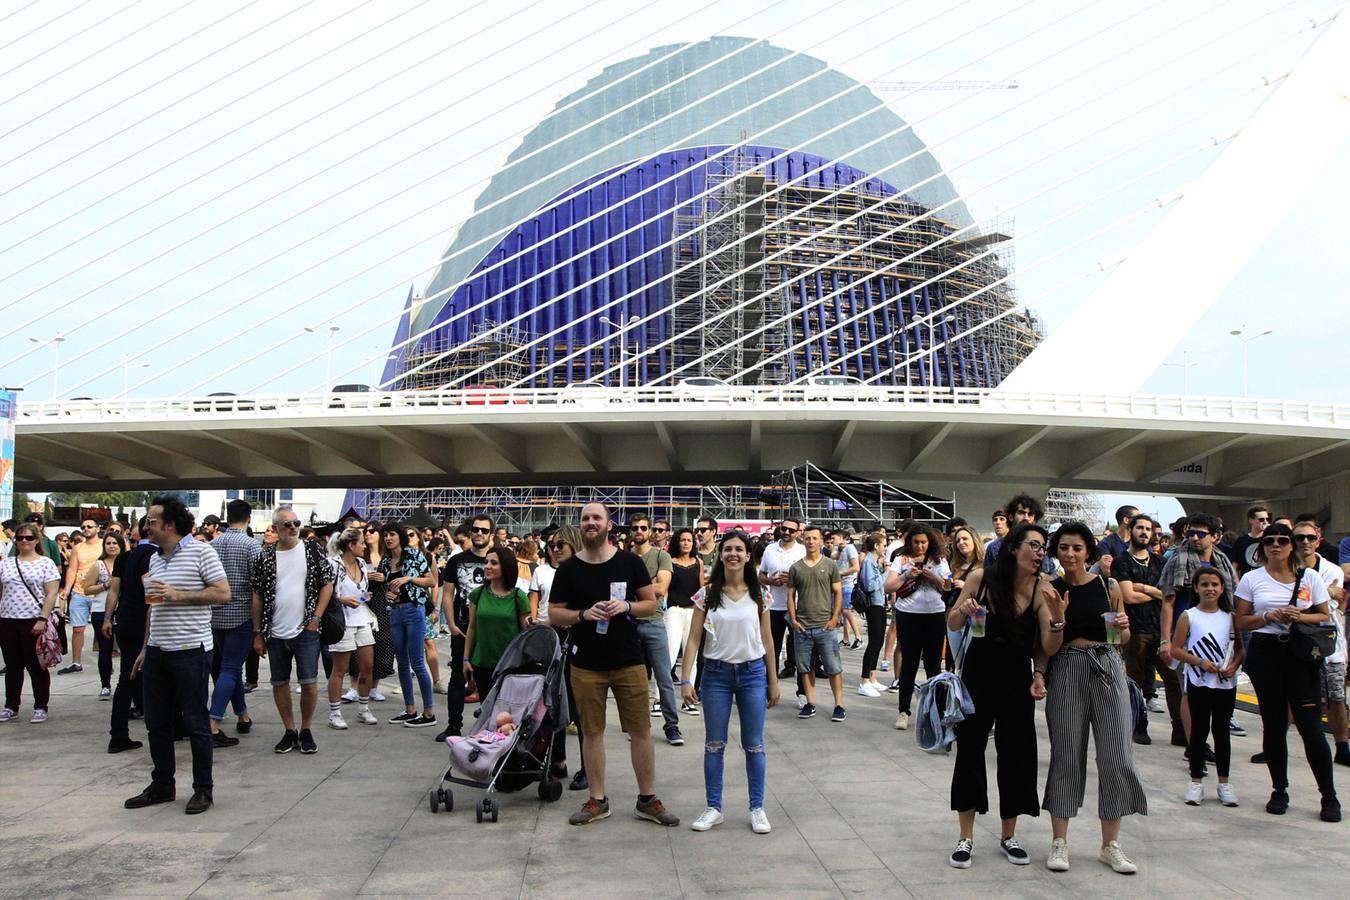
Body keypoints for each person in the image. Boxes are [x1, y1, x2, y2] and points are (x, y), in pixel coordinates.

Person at [549, 502, 679, 827]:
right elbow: (553, 613)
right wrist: (582, 615)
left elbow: (651, 605)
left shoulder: (630, 563)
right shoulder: (568, 569)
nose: (590, 523)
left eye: (596, 518)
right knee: (591, 732)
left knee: (641, 731)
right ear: (580, 526)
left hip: (628, 660)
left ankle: (647, 799)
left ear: (609, 525)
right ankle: (597, 799)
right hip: (586, 663)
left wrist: (627, 606)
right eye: (585, 519)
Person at [946, 523, 1066, 869]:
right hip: (978, 677)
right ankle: (965, 837)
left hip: (1016, 680)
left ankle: (1008, 835)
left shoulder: (1042, 587)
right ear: (1014, 548)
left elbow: (1047, 646)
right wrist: (963, 611)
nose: (1041, 552)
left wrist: (1057, 619)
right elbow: (952, 624)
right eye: (1034, 545)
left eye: (1044, 546)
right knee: (969, 751)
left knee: (1017, 754)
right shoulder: (981, 579)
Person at [1042, 521, 1147, 875]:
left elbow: (1123, 638)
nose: (1070, 554)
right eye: (1063, 548)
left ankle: (1110, 844)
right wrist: (1058, 618)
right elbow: (1048, 647)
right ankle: (1060, 841)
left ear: (1089, 552)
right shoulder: (1049, 589)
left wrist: (1124, 627)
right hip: (1067, 667)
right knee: (1067, 753)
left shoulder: (1109, 585)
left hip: (1108, 665)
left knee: (1117, 755)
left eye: (1077, 548)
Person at [125, 495, 229, 815]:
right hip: (158, 651)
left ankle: (202, 789)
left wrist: (179, 595)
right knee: (157, 723)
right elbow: (153, 607)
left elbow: (223, 593)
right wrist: (145, 647)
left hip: (190, 652)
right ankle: (162, 785)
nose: (146, 526)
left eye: (152, 521)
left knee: (196, 723)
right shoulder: (155, 558)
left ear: (170, 524)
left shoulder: (202, 551)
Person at [1236, 522, 1340, 820]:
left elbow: (1324, 614)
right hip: (1267, 652)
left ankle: (1328, 795)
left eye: (1283, 540)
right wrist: (1268, 615)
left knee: (1310, 726)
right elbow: (1241, 621)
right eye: (1270, 541)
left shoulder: (1310, 577)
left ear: (1292, 545)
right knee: (1274, 722)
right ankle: (1279, 789)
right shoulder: (1252, 580)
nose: (1277, 545)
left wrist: (1300, 616)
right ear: (1262, 548)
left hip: (1301, 654)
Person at [681, 531, 780, 834]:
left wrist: (773, 680)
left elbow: (767, 639)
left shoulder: (759, 593)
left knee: (754, 745)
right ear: (719, 555)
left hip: (752, 675)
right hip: (716, 676)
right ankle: (714, 807)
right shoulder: (707, 594)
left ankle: (757, 807)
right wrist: (686, 679)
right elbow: (694, 639)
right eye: (727, 549)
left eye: (739, 549)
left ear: (749, 555)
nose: (733, 554)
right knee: (714, 744)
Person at [251, 507, 337, 754]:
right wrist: (257, 632)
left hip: (306, 630)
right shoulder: (265, 555)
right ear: (276, 528)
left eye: (296, 522)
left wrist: (316, 617)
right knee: (279, 683)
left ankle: (306, 729)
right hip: (275, 631)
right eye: (286, 524)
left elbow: (327, 583)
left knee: (309, 683)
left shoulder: (311, 550)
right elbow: (257, 595)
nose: (292, 527)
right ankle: (289, 730)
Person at [1158, 513, 1238, 749]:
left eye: (1201, 534)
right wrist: (1166, 640)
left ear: (1215, 536)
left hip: (1219, 635)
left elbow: (1232, 601)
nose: (1194, 538)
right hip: (1187, 634)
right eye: (1190, 533)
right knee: (1188, 690)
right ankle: (1196, 745)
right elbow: (1167, 601)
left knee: (1213, 692)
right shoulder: (1177, 560)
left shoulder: (1222, 562)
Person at [1171, 569, 1243, 808]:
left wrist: (1233, 666)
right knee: (1199, 731)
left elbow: (1241, 649)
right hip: (1199, 682)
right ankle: (1196, 782)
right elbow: (1176, 649)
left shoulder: (1231, 617)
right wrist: (1200, 662)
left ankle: (1224, 783)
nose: (1210, 588)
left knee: (1222, 732)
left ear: (1222, 588)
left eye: (1215, 584)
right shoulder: (1188, 616)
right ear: (1196, 588)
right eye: (1204, 584)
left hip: (1225, 684)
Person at [1111, 513, 1175, 746]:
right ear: (1132, 530)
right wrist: (1154, 593)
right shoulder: (1121, 562)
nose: (1145, 533)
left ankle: (1180, 730)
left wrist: (1144, 587)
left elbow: (1167, 595)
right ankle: (1138, 726)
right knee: (1134, 682)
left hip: (1160, 629)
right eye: (1141, 528)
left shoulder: (1160, 562)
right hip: (1135, 630)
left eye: (1149, 529)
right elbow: (1128, 596)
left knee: (1172, 678)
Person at [1292, 516, 1350, 766]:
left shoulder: (1332, 570)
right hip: (1295, 641)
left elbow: (1328, 603)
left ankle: (1342, 745)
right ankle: (1274, 744)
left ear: (1318, 540)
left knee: (1336, 697)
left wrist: (1325, 596)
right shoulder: (1286, 568)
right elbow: (1303, 601)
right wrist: (1326, 593)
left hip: (1329, 643)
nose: (1305, 542)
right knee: (1290, 696)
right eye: (1299, 538)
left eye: (1310, 537)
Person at [531, 525, 584, 787]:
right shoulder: (553, 573)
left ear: (574, 544)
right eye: (551, 545)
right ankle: (558, 761)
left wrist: (570, 618)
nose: (554, 549)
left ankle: (587, 767)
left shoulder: (583, 573)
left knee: (579, 708)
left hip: (580, 644)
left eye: (560, 544)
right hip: (553, 640)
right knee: (554, 702)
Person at [885, 524, 951, 731]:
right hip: (908, 615)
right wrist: (906, 576)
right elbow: (888, 587)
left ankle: (937, 711)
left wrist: (934, 577)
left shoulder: (939, 560)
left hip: (934, 615)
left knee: (933, 666)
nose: (920, 546)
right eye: (916, 542)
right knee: (910, 664)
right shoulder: (901, 559)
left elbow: (949, 587)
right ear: (909, 542)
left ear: (930, 542)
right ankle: (903, 711)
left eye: (923, 542)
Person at [435, 514, 492, 742]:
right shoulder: (456, 561)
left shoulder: (499, 559)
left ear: (490, 534)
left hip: (490, 630)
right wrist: (450, 623)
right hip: (462, 627)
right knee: (457, 677)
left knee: (490, 679)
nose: (479, 533)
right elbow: (448, 594)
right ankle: (453, 726)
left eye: (484, 530)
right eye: (476, 530)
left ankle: (488, 727)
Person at [207, 499, 259, 748]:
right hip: (242, 613)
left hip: (216, 614)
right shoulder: (252, 546)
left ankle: (242, 714)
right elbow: (257, 585)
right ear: (248, 517)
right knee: (230, 668)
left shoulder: (213, 544)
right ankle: (213, 723)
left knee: (231, 667)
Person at [375, 524, 437, 729]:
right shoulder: (385, 562)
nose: (388, 538)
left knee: (418, 661)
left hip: (413, 610)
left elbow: (431, 581)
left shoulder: (414, 555)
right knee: (401, 661)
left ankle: (429, 712)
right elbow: (387, 588)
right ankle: (410, 709)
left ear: (400, 537)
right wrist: (387, 593)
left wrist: (409, 578)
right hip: (394, 611)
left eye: (392, 534)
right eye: (385, 535)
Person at [629, 514, 682, 746]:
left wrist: (635, 587)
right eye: (635, 528)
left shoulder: (662, 555)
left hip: (654, 622)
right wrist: (648, 584)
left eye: (643, 527)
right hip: (629, 625)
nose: (639, 531)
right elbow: (616, 590)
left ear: (650, 531)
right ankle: (638, 726)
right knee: (634, 681)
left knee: (664, 678)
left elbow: (661, 588)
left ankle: (672, 726)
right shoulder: (624, 558)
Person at [103, 517, 154, 752]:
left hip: (125, 621)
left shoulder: (125, 557)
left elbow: (114, 590)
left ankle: (118, 733)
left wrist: (108, 618)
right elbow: (153, 595)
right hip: (146, 623)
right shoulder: (156, 556)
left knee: (127, 676)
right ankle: (171, 725)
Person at [0, 522, 60, 723]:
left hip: (33, 619)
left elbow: (51, 593)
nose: (24, 541)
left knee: (36, 665)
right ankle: (11, 705)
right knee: (12, 665)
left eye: (28, 538)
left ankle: (41, 705)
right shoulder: (6, 563)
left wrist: (43, 618)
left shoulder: (46, 563)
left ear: (36, 540)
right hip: (7, 618)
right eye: (20, 538)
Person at [787, 524, 845, 722]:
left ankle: (838, 705)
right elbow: (790, 595)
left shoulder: (830, 565)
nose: (811, 541)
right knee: (805, 667)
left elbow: (838, 593)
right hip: (802, 627)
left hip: (825, 626)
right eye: (808, 538)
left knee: (833, 668)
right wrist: (793, 620)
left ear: (821, 541)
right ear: (803, 540)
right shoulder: (796, 567)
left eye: (814, 538)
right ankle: (810, 703)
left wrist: (835, 617)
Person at [464, 545, 531, 707]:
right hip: (482, 663)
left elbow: (526, 634)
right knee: (487, 709)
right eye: (486, 562)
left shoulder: (518, 596)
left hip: (510, 665)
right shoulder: (477, 594)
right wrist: (466, 659)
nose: (487, 566)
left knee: (506, 713)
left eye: (494, 563)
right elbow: (472, 628)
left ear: (506, 567)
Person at [325, 526, 378, 730]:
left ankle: (363, 708)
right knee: (340, 668)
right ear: (350, 545)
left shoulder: (362, 564)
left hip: (362, 618)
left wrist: (363, 598)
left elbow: (362, 592)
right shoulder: (333, 564)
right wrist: (342, 599)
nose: (365, 546)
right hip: (342, 621)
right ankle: (335, 712)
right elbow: (327, 593)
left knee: (367, 666)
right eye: (362, 543)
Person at [759, 517, 806, 684]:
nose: (786, 532)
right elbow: (761, 575)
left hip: (798, 607)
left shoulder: (803, 550)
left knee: (800, 650)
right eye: (784, 529)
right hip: (774, 606)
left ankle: (802, 691)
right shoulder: (770, 549)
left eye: (791, 530)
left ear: (797, 533)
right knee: (771, 648)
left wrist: (792, 580)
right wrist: (771, 581)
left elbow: (810, 578)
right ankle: (768, 685)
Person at [665, 527, 705, 715]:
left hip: (693, 612)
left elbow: (701, 589)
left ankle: (688, 700)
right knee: (670, 656)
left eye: (689, 540)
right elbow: (665, 588)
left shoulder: (699, 562)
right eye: (683, 540)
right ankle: (659, 698)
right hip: (673, 611)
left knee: (693, 658)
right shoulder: (669, 561)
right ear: (677, 542)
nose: (686, 543)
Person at [81, 533, 124, 700]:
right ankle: (105, 684)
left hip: (122, 610)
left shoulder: (126, 562)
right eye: (108, 543)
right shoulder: (98, 565)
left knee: (125, 649)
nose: (111, 546)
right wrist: (105, 585)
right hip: (101, 610)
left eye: (114, 543)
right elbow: (87, 589)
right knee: (105, 650)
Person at [57, 517, 103, 675]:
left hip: (100, 593)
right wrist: (67, 589)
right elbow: (72, 569)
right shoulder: (78, 547)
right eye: (83, 526)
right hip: (78, 592)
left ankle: (105, 662)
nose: (86, 529)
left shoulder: (105, 544)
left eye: (90, 526)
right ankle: (76, 662)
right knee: (77, 628)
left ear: (97, 528)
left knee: (103, 629)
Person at [406, 528, 442, 696]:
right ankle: (408, 680)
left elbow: (434, 583)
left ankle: (437, 681)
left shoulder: (428, 556)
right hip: (405, 605)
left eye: (411, 534)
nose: (408, 538)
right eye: (405, 535)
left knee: (429, 643)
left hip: (423, 605)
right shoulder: (399, 556)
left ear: (418, 537)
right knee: (407, 645)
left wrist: (434, 607)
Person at [984, 496, 1057, 575]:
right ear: (1011, 517)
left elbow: (1052, 575)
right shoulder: (994, 547)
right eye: (1021, 513)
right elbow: (987, 578)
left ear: (1034, 520)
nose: (1026, 518)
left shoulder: (1042, 546)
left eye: (1030, 514)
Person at [855, 532, 889, 697]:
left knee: (879, 640)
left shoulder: (874, 561)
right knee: (874, 641)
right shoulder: (868, 561)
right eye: (884, 545)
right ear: (876, 546)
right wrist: (886, 573)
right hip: (873, 604)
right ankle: (865, 680)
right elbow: (870, 585)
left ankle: (872, 676)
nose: (885, 548)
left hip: (880, 603)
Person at [831, 530, 862, 649]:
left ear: (841, 538)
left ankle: (858, 637)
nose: (832, 540)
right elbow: (834, 556)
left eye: (834, 538)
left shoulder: (850, 548)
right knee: (843, 611)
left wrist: (841, 573)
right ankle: (845, 638)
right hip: (840, 584)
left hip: (848, 584)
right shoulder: (838, 550)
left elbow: (856, 567)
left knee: (846, 610)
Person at [1096, 505, 1139, 578]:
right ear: (1126, 520)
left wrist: (1116, 564)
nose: (1141, 521)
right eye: (1137, 518)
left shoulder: (1140, 543)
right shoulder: (1105, 543)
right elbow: (1108, 571)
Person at [1229, 505, 1270, 576]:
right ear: (1251, 520)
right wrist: (1237, 583)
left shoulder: (1269, 539)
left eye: (1267, 519)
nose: (1265, 522)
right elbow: (1235, 566)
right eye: (1261, 519)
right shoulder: (1241, 541)